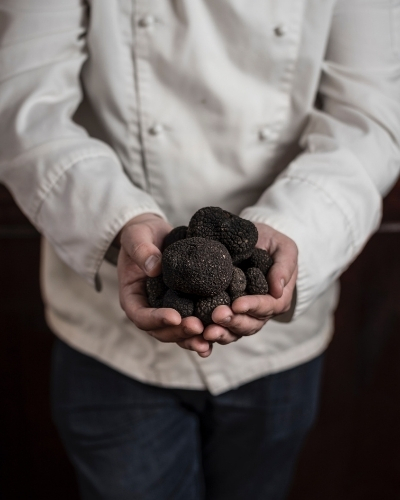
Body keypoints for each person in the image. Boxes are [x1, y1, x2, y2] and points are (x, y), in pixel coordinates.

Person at [0, 1, 399, 499]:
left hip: (277, 345)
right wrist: (120, 218)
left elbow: (371, 117)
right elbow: (21, 103)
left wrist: (290, 229)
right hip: (110, 335)